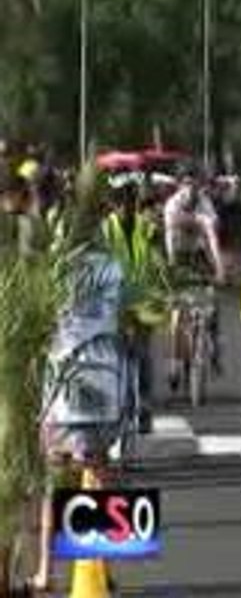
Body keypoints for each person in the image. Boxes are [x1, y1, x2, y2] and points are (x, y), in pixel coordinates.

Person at [33, 186, 126, 593]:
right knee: (99, 473)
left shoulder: (55, 269)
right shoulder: (113, 268)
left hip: (65, 385)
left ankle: (46, 571)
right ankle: (101, 568)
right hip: (104, 381)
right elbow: (120, 317)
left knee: (56, 479)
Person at [103, 182, 168, 432]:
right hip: (114, 300)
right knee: (114, 355)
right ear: (114, 205)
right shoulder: (105, 229)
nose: (126, 209)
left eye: (131, 204)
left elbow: (159, 260)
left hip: (143, 299)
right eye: (121, 204)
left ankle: (145, 406)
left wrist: (165, 285)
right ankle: (115, 402)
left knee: (142, 354)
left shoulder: (148, 228)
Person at [163, 169, 226, 383]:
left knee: (212, 304)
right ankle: (174, 362)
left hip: (199, 255)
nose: (191, 189)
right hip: (178, 255)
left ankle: (215, 348)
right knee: (177, 317)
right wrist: (171, 270)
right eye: (187, 184)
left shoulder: (205, 204)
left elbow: (212, 239)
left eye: (195, 184)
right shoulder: (172, 205)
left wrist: (219, 269)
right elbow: (170, 241)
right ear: (180, 185)